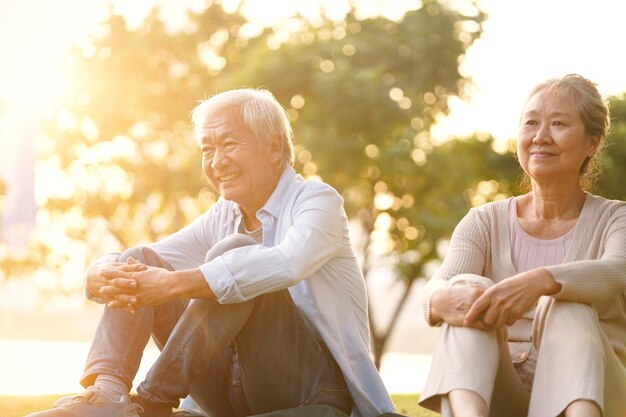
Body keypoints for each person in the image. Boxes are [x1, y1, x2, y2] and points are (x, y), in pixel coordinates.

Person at [27, 88, 395, 417]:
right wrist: (99, 272)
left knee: (236, 254)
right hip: (230, 392)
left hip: (310, 389)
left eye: (229, 145)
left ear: (273, 147)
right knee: (141, 257)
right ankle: (107, 393)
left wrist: (176, 284)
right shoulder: (224, 213)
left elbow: (287, 262)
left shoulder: (317, 201)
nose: (217, 162)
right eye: (207, 149)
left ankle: (152, 402)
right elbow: (148, 258)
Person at [419, 74, 626, 417]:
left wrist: (541, 281)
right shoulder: (483, 221)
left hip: (600, 395)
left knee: (568, 304)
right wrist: (442, 299)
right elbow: (439, 286)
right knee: (467, 288)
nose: (540, 137)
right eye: (531, 123)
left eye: (559, 123)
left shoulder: (616, 219)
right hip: (507, 394)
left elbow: (619, 270)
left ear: (592, 142)